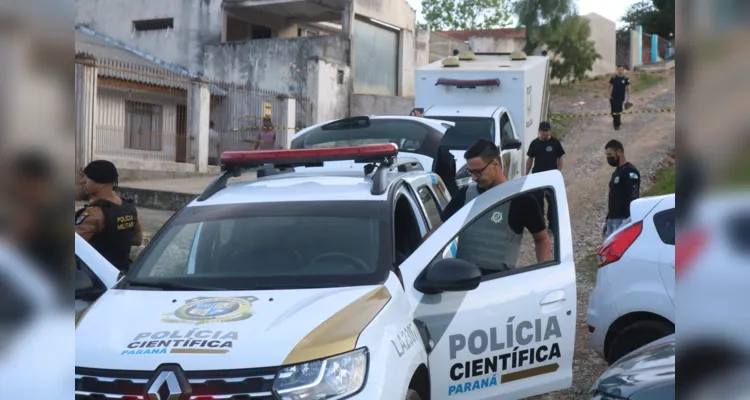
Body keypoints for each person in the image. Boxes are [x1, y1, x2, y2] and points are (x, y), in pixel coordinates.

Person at [425, 139, 551, 271]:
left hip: (500, 283)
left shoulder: (521, 199)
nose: (473, 178)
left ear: (494, 164)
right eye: (470, 172)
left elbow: (542, 239)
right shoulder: (465, 194)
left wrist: (544, 273)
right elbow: (438, 229)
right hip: (463, 281)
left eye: (477, 172)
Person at [75, 160, 143, 274]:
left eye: (87, 178)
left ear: (101, 183)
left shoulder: (95, 214)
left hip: (95, 276)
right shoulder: (129, 208)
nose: (82, 182)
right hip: (121, 273)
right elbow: (138, 240)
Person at [525, 121, 565, 230]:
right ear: (539, 131)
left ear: (549, 131)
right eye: (543, 131)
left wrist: (558, 172)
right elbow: (530, 159)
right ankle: (540, 224)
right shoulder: (534, 143)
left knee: (552, 201)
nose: (544, 133)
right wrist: (526, 173)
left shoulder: (555, 143)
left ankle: (552, 223)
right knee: (537, 202)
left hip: (551, 177)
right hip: (537, 176)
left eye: (546, 131)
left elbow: (560, 158)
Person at [603, 140, 641, 237]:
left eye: (610, 154)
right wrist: (608, 219)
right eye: (607, 155)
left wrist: (628, 219)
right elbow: (613, 197)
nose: (608, 158)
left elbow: (633, 196)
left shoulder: (630, 171)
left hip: (623, 220)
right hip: (613, 219)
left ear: (619, 152)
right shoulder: (616, 172)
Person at [609, 65, 631, 131]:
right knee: (613, 111)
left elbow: (628, 89)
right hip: (613, 97)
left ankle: (617, 125)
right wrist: (609, 95)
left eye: (621, 69)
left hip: (620, 98)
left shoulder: (626, 79)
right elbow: (609, 86)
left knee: (618, 111)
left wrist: (628, 99)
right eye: (619, 69)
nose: (620, 71)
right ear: (617, 70)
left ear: (623, 70)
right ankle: (616, 119)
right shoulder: (613, 78)